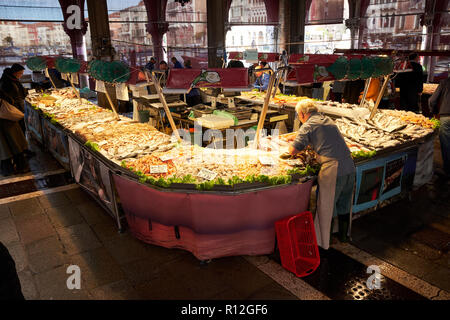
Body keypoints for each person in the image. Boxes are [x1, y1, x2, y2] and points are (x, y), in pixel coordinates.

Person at [288, 99, 356, 248]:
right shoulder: (327, 120)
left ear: (302, 114)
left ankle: (324, 243)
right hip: (350, 167)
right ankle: (344, 237)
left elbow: (293, 150)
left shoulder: (309, 125)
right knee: (344, 204)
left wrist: (294, 143)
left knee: (327, 206)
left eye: (299, 116)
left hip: (334, 169)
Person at [0, 90, 30, 176]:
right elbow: (9, 98)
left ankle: (8, 170)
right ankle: (21, 167)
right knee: (15, 144)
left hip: (5, 120)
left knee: (4, 148)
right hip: (7, 120)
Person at [429, 77, 450, 179]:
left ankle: (448, 171)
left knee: (446, 145)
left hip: (446, 116)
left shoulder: (445, 81)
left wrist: (433, 112)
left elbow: (432, 100)